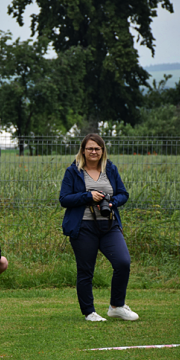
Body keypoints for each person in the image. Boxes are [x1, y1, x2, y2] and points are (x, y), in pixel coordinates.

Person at [59, 133, 138, 322]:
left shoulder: (110, 169)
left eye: (97, 148)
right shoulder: (73, 171)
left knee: (123, 262)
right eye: (90, 148)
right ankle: (89, 312)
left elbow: (123, 194)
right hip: (83, 226)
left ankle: (116, 306)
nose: (93, 151)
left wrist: (112, 202)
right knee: (86, 270)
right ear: (83, 151)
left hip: (109, 225)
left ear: (103, 151)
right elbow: (64, 199)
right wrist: (88, 196)